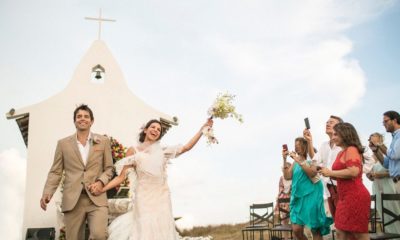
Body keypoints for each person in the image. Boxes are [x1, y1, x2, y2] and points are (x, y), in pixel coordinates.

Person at [96, 118, 213, 240]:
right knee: (145, 229)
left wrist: (202, 130)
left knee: (162, 229)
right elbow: (121, 177)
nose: (156, 130)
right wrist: (102, 189)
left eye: (159, 130)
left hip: (162, 197)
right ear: (145, 130)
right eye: (153, 127)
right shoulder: (133, 150)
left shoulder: (163, 151)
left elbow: (186, 148)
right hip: (143, 197)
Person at [40, 104, 114, 240]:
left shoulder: (103, 141)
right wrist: (47, 192)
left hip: (96, 198)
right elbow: (56, 171)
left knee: (99, 235)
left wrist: (100, 182)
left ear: (92, 121)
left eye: (86, 116)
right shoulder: (63, 144)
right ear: (74, 121)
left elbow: (109, 168)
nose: (82, 119)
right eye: (79, 116)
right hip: (72, 199)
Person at [304, 115, 374, 219]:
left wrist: (355, 173)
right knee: (338, 222)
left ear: (340, 127)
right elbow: (315, 159)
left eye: (331, 122)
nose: (327, 124)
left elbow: (369, 160)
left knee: (348, 223)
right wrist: (309, 141)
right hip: (329, 188)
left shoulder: (347, 145)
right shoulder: (324, 145)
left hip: (345, 187)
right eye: (327, 122)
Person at [319, 122, 370, 240]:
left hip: (355, 196)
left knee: (358, 234)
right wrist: (327, 173)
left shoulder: (351, 149)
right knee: (341, 232)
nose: (333, 137)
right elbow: (343, 174)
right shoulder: (341, 152)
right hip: (343, 197)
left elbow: (354, 172)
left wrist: (331, 173)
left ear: (345, 134)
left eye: (336, 134)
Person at [282, 137, 332, 240]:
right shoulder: (295, 162)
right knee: (296, 230)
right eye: (295, 146)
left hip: (312, 195)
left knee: (315, 229)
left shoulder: (312, 159)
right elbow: (287, 176)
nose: (296, 148)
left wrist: (298, 160)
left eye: (299, 145)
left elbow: (312, 174)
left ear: (305, 146)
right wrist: (284, 159)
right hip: (297, 198)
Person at [367, 132, 400, 234]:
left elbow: (394, 170)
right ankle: (389, 234)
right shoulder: (373, 157)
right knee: (383, 213)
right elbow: (382, 166)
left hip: (389, 186)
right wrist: (370, 175)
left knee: (394, 211)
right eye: (370, 139)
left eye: (373, 139)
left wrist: (380, 175)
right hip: (377, 188)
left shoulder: (392, 153)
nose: (371, 141)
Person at [379, 110, 400, 193]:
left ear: (394, 120)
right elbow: (386, 164)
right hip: (395, 182)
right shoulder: (395, 138)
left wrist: (379, 144)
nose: (384, 124)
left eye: (386, 121)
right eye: (383, 122)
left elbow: (394, 155)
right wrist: (376, 150)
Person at [274, 162, 292, 240]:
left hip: (292, 198)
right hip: (283, 199)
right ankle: (286, 238)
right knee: (284, 220)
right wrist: (283, 193)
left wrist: (289, 192)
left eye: (287, 168)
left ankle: (295, 237)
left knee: (293, 220)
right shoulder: (281, 178)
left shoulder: (293, 177)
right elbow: (280, 188)